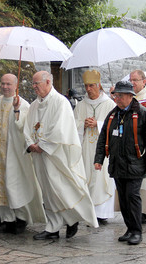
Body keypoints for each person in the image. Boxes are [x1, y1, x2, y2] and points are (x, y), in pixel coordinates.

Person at [24, 71, 98, 240]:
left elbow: (60, 129)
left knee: (62, 188)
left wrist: (42, 145)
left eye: (37, 83)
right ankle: (53, 227)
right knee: (48, 191)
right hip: (39, 155)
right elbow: (27, 127)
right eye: (33, 84)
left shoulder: (60, 102)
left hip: (57, 155)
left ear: (48, 82)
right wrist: (30, 143)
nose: (34, 87)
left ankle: (72, 220)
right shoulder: (35, 105)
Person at [0, 73, 46, 235]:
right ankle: (7, 220)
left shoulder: (24, 105)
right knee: (1, 187)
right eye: (3, 83)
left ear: (16, 86)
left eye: (8, 84)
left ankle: (21, 219)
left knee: (15, 186)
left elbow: (25, 128)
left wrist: (16, 110)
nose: (5, 87)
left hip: (16, 154)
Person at [94, 81, 146, 245]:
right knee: (124, 199)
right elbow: (103, 137)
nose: (116, 98)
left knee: (132, 197)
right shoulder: (113, 114)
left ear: (129, 96)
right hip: (117, 164)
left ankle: (136, 231)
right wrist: (99, 159)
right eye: (115, 95)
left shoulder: (142, 113)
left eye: (119, 95)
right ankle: (129, 228)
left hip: (135, 164)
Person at [74, 70, 116, 225]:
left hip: (103, 149)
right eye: (86, 85)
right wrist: (82, 125)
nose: (88, 89)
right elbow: (73, 125)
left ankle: (101, 213)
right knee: (86, 176)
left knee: (100, 178)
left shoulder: (110, 104)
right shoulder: (81, 105)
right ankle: (87, 210)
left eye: (91, 85)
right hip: (85, 148)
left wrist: (98, 124)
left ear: (98, 86)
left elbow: (115, 127)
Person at [129, 70, 146, 224]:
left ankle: (144, 212)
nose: (132, 83)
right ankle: (135, 211)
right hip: (132, 143)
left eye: (135, 80)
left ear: (144, 81)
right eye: (131, 80)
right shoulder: (128, 98)